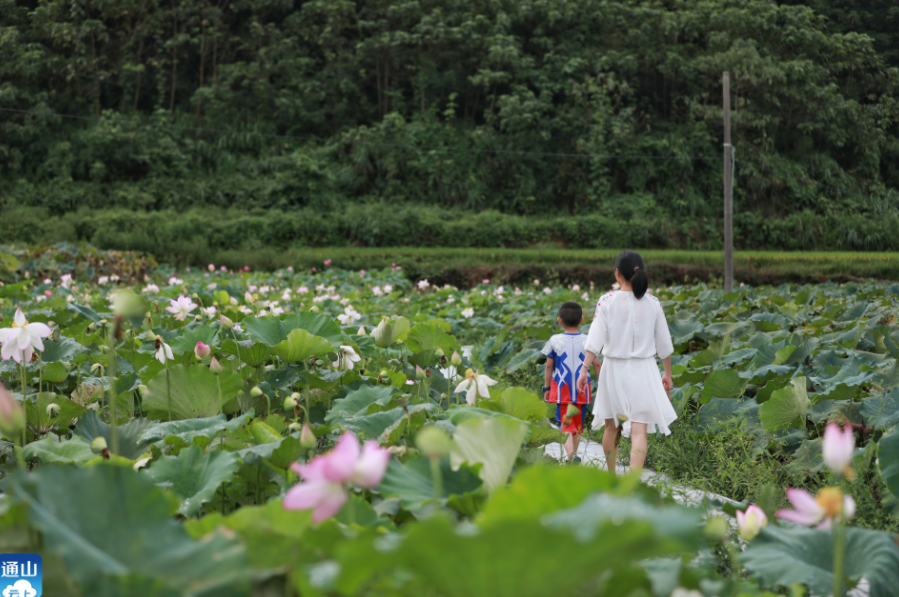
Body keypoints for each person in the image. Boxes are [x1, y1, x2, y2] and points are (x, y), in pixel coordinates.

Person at [576, 250, 675, 473]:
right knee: (639, 430)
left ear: (617, 273)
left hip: (613, 369)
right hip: (644, 369)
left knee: (612, 427)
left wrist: (584, 369)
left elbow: (594, 341)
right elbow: (664, 344)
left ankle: (612, 477)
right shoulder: (653, 303)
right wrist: (667, 374)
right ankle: (632, 484)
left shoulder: (606, 301)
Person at [542, 301, 602, 464]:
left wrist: (547, 387)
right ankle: (572, 454)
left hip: (563, 391)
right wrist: (602, 386)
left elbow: (549, 365)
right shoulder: (588, 341)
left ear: (559, 321)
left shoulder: (554, 340)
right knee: (577, 424)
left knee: (566, 424)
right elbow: (596, 364)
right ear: (581, 320)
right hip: (582, 390)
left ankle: (571, 455)